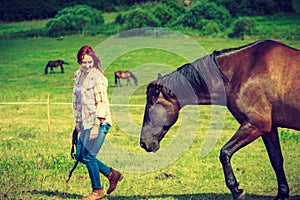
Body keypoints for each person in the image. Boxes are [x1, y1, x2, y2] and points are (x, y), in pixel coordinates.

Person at [72, 45, 123, 200]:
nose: (87, 66)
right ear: (79, 62)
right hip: (85, 122)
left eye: (89, 62)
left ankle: (97, 191)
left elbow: (101, 102)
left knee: (88, 155)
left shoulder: (98, 78)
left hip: (99, 122)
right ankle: (111, 174)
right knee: (80, 155)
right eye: (83, 62)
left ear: (93, 61)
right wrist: (78, 123)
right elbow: (77, 101)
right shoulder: (78, 75)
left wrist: (96, 126)